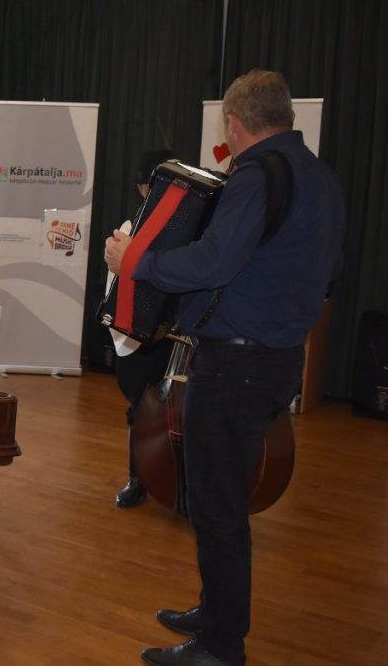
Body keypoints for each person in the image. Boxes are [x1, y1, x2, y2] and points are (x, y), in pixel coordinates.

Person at [105, 70, 344, 665]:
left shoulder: (257, 176)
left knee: (217, 508)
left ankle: (219, 645)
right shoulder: (322, 177)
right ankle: (216, 612)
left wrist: (135, 261)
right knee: (222, 501)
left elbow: (213, 262)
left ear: (234, 125)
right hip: (279, 359)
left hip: (235, 364)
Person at [113, 148, 177, 508]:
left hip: (175, 337)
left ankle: (177, 480)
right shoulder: (128, 231)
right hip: (138, 337)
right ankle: (138, 478)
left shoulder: (191, 231)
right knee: (140, 409)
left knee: (179, 413)